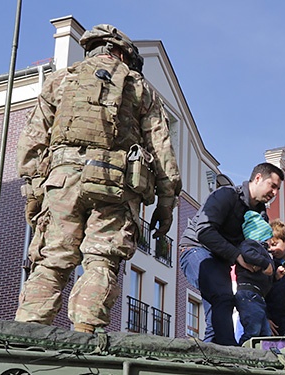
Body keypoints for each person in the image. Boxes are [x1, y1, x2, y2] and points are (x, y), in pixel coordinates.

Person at [16, 24, 181, 333]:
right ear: (121, 52)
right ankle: (85, 333)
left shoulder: (61, 81)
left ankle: (27, 334)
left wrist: (34, 192)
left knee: (52, 259)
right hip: (114, 184)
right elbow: (162, 151)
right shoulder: (139, 87)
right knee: (101, 260)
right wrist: (166, 204)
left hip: (62, 180)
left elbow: (31, 143)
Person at [179, 163, 283, 346]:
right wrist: (238, 256)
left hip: (222, 260)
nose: (274, 193)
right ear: (257, 178)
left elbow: (258, 251)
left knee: (219, 311)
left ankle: (209, 359)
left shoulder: (259, 216)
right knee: (222, 297)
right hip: (195, 249)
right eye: (272, 186)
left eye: (278, 189)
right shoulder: (226, 195)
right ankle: (230, 350)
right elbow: (204, 231)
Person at [234, 211, 275, 344]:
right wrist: (265, 264)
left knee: (265, 334)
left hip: (257, 296)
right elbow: (247, 253)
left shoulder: (261, 249)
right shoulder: (250, 244)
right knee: (252, 331)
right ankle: (241, 353)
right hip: (249, 294)